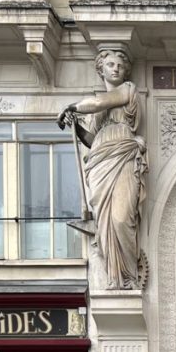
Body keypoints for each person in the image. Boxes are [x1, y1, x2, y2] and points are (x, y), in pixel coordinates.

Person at [57, 49, 147, 289]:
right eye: (110, 64)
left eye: (119, 64)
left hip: (122, 153)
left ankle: (129, 275)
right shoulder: (98, 111)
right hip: (100, 160)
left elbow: (98, 102)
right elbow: (90, 139)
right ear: (101, 69)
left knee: (120, 219)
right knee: (105, 221)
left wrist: (72, 107)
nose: (115, 68)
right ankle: (115, 278)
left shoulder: (127, 90)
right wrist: (75, 126)